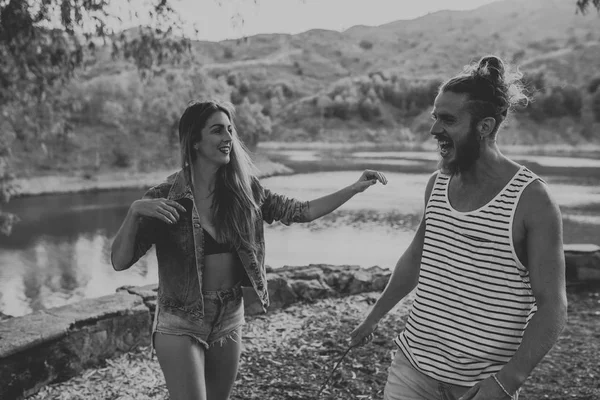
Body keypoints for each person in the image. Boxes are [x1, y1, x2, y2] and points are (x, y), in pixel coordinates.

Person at [110, 100, 388, 400]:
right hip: (180, 319)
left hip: (229, 315)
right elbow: (119, 261)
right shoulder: (165, 198)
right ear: (194, 141)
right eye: (217, 131)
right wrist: (135, 211)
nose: (228, 138)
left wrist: (355, 187)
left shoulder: (246, 192)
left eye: (230, 130)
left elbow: (302, 211)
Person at [350, 55, 567, 400]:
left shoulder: (533, 201)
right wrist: (374, 316)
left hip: (480, 386)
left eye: (448, 120)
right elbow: (417, 258)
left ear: (484, 126)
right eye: (436, 117)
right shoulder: (438, 183)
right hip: (411, 368)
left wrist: (506, 382)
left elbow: (553, 307)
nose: (434, 130)